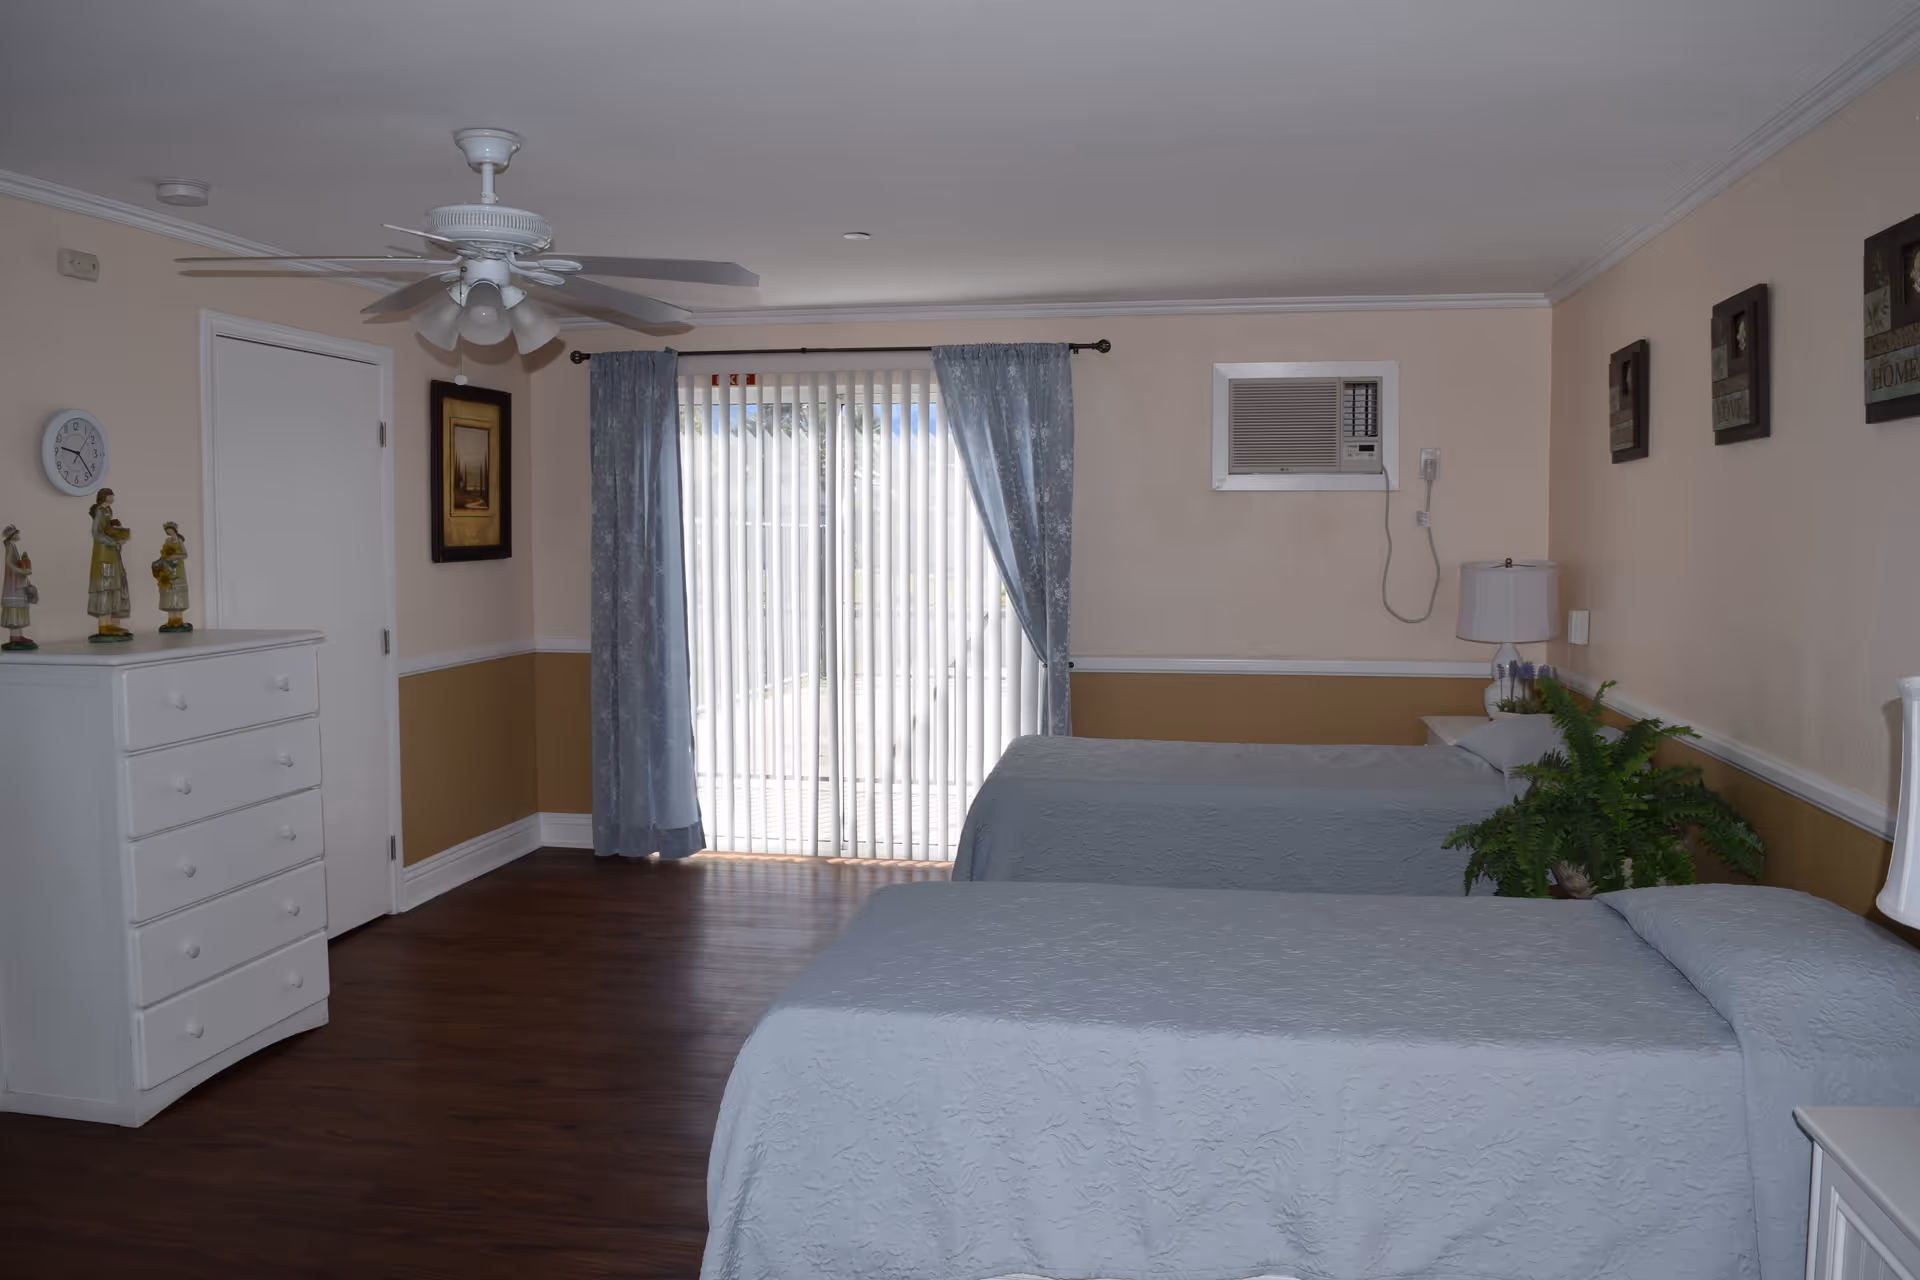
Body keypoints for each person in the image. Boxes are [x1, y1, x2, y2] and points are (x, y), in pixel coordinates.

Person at [87, 488, 133, 642]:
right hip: (103, 554)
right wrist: (112, 541)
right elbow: (96, 532)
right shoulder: (100, 511)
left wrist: (117, 537)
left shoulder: (108, 510)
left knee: (114, 585)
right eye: (110, 494)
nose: (113, 496)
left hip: (112, 552)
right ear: (104, 497)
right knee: (105, 586)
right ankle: (104, 625)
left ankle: (112, 623)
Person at [1, 525, 36, 652]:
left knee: (20, 605)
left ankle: (18, 635)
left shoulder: (13, 546)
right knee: (15, 607)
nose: (18, 535)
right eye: (16, 533)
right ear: (12, 535)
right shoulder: (10, 546)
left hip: (18, 580)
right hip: (14, 580)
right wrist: (20, 570)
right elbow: (8, 562)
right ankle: (14, 636)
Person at [152, 521, 192, 632]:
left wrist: (175, 556)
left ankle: (178, 619)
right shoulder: (167, 540)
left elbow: (185, 554)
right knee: (169, 593)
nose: (169, 532)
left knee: (178, 593)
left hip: (177, 569)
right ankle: (171, 619)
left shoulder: (179, 540)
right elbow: (163, 554)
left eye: (170, 530)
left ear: (174, 530)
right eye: (167, 530)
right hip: (168, 569)